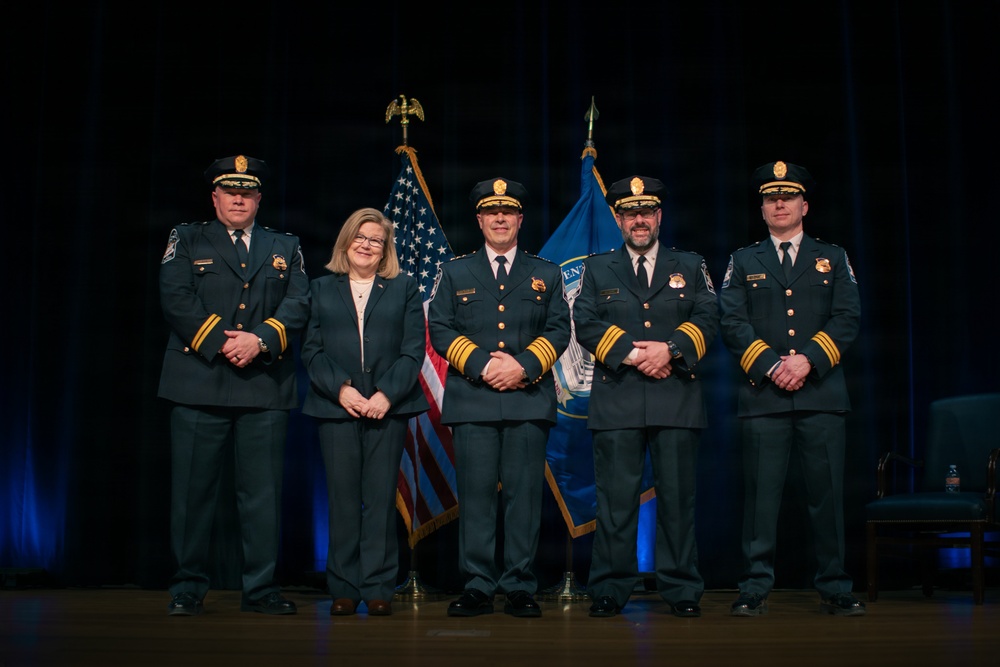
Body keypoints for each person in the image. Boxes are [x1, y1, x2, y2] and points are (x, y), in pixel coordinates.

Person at [158, 155, 309, 616]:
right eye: (230, 191)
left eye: (247, 192)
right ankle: (187, 586)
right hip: (198, 382)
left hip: (263, 383)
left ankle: (261, 589)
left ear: (258, 198)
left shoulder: (286, 244)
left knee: (261, 495)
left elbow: (299, 302)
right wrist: (223, 344)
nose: (239, 198)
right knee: (192, 493)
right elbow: (175, 296)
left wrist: (259, 340)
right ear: (215, 197)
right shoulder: (185, 238)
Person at [719, 160, 863, 616]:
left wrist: (807, 360)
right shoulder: (743, 260)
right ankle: (754, 587)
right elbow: (732, 321)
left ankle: (836, 586)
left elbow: (847, 318)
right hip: (764, 396)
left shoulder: (833, 257)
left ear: (804, 205)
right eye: (770, 198)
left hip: (822, 394)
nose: (779, 204)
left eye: (787, 197)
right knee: (761, 500)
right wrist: (770, 364)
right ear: (762, 209)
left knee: (827, 498)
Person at [572, 176, 719, 619]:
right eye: (630, 213)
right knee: (615, 502)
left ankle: (681, 589)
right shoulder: (598, 268)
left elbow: (709, 315)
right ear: (618, 219)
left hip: (676, 396)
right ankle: (610, 588)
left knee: (677, 500)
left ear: (659, 217)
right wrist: (635, 356)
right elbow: (585, 320)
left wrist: (670, 350)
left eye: (647, 212)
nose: (639, 220)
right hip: (617, 397)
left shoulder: (690, 265)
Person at [428, 178, 570, 618]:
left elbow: (560, 329)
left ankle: (520, 585)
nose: (501, 219)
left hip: (527, 398)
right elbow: (440, 327)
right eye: (492, 213)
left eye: (508, 212)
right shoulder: (455, 271)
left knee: (524, 497)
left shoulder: (546, 272)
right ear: (480, 220)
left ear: (520, 219)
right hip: (474, 398)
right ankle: (477, 584)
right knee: (475, 496)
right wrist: (485, 366)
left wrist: (522, 366)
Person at [301, 208, 428, 617]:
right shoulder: (320, 288)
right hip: (336, 406)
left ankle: (377, 587)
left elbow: (413, 350)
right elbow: (311, 350)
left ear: (385, 248)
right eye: (360, 236)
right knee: (341, 500)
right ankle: (343, 586)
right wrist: (341, 390)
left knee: (378, 500)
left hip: (386, 409)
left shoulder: (403, 288)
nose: (367, 244)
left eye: (376, 239)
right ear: (346, 241)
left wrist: (386, 395)